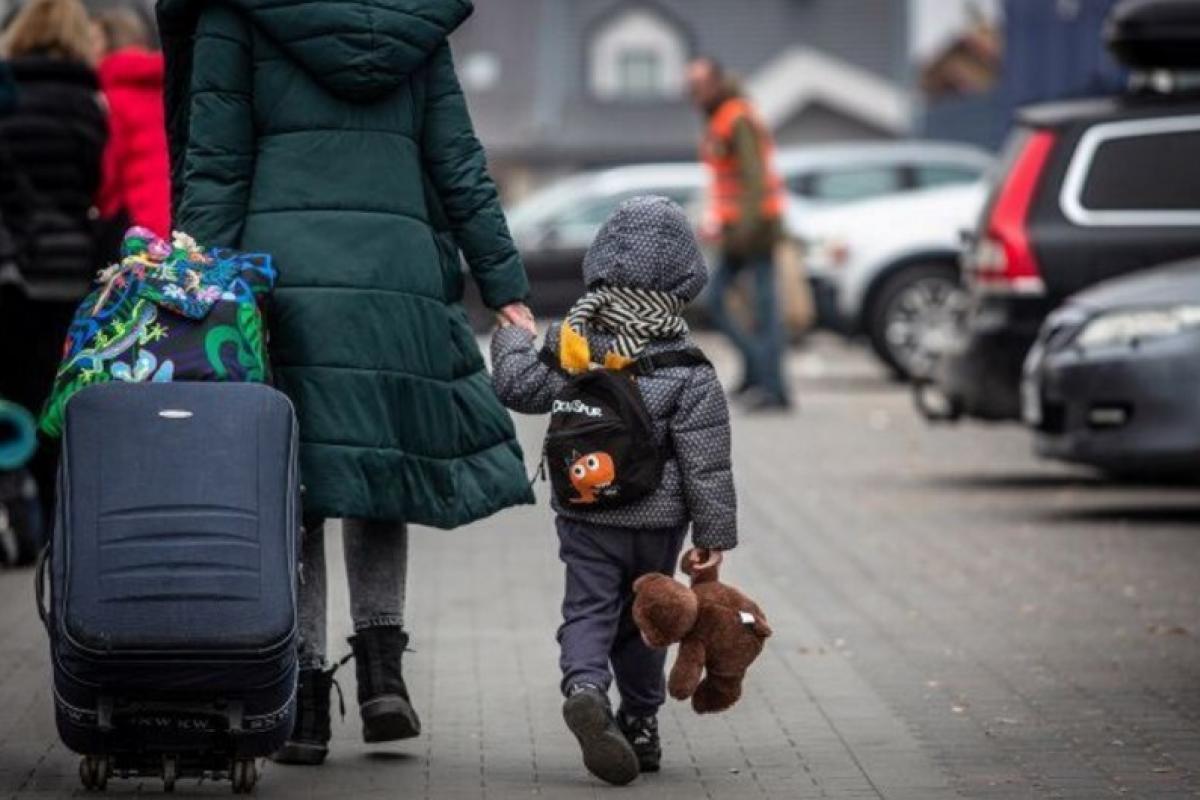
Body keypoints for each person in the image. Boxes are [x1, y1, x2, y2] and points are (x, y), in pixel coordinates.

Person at [157, 0, 536, 766]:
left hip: (282, 281)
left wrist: (189, 286)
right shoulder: (413, 23)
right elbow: (457, 160)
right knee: (374, 469)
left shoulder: (239, 19)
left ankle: (301, 698)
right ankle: (382, 672)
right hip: (391, 283)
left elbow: (217, 165)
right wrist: (504, 284)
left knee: (294, 483)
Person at [492, 196, 737, 785]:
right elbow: (706, 461)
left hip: (586, 512)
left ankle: (584, 688)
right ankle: (642, 724)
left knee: (588, 608)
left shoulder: (574, 342)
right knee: (647, 617)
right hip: (657, 523)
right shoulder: (687, 364)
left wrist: (512, 337)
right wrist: (713, 536)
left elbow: (518, 388)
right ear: (685, 274)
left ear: (599, 259)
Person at [0, 0, 107, 555]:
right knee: (51, 394)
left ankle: (11, 511)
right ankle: (49, 525)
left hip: (11, 263)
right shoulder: (88, 103)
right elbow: (96, 182)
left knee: (8, 392)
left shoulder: (6, 93)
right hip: (65, 267)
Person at [687, 56, 791, 411]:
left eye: (699, 85)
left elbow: (755, 179)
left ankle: (772, 386)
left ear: (717, 82)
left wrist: (743, 230)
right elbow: (725, 180)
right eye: (691, 86)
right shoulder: (721, 117)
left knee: (756, 309)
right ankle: (758, 377)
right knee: (739, 306)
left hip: (755, 228)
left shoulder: (737, 116)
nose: (693, 93)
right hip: (740, 228)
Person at [94, 8, 170, 238]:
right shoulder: (167, 87)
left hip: (137, 222)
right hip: (178, 211)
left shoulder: (110, 98)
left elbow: (109, 170)